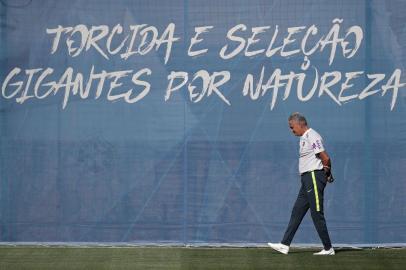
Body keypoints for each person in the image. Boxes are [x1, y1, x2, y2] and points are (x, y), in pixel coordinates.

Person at [268, 112, 335, 255]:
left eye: (292, 127)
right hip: (306, 179)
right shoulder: (304, 138)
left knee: (316, 213)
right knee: (297, 212)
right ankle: (284, 245)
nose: (291, 130)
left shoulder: (312, 135)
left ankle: (328, 248)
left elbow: (325, 158)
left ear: (300, 124)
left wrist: (327, 173)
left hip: (313, 177)